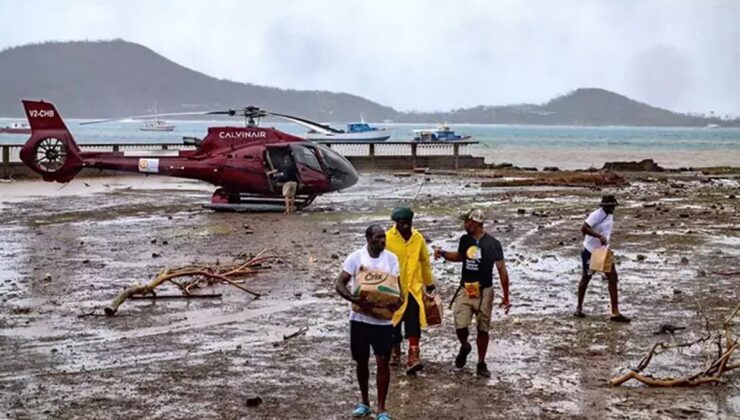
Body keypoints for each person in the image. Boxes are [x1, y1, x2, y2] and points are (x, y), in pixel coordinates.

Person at [434, 209, 510, 378]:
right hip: (465, 289)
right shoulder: (465, 240)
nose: (464, 224)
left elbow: (502, 270)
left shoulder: (492, 244)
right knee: (460, 325)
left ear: (475, 224)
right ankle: (465, 345)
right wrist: (443, 253)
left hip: (485, 291)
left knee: (483, 328)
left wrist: (506, 296)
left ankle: (481, 363)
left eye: (467, 222)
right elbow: (461, 257)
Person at [336, 224, 402, 420]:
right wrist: (353, 299)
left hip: (382, 322)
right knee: (361, 361)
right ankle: (364, 402)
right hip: (359, 320)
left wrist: (396, 304)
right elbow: (340, 283)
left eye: (384, 238)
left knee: (383, 362)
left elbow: (398, 289)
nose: (382, 241)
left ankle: (381, 408)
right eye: (378, 238)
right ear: (368, 238)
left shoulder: (391, 259)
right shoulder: (356, 258)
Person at [385, 207, 435, 375]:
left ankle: (413, 355)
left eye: (408, 223)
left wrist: (429, 283)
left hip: (413, 287)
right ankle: (395, 350)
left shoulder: (418, 238)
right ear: (396, 223)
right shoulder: (387, 238)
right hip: (393, 287)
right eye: (401, 223)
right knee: (393, 321)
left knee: (413, 319)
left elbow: (424, 261)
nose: (405, 226)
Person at [575, 195, 631, 322]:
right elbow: (583, 228)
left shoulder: (610, 215)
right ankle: (579, 308)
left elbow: (606, 232)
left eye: (613, 207)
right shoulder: (597, 215)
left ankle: (615, 313)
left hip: (602, 251)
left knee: (613, 277)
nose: (613, 209)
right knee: (586, 278)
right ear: (605, 206)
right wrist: (599, 236)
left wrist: (606, 245)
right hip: (590, 251)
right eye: (611, 207)